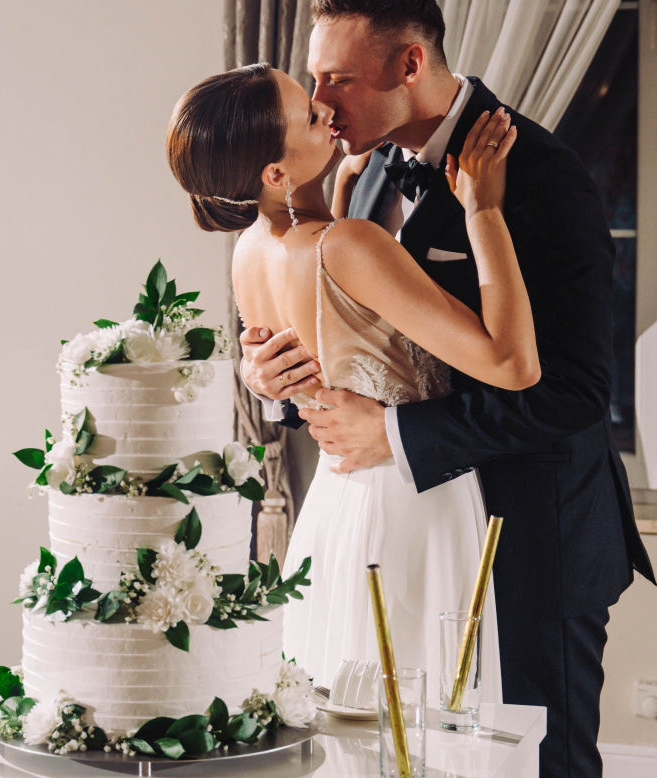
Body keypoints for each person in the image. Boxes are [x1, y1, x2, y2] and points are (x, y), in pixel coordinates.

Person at [239, 0, 655, 778]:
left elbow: (576, 392)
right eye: (314, 79)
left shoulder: (541, 177)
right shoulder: (353, 174)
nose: (321, 101)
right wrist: (273, 381)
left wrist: (397, 437)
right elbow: (350, 338)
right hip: (400, 539)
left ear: (410, 63)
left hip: (529, 534)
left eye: (339, 79)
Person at [166, 62, 535, 721]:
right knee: (420, 719)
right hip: (413, 499)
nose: (327, 109)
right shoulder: (351, 244)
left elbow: (335, 316)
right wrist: (483, 209)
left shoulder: (249, 250)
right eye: (310, 117)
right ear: (274, 173)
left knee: (350, 714)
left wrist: (335, 186)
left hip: (337, 503)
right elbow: (509, 363)